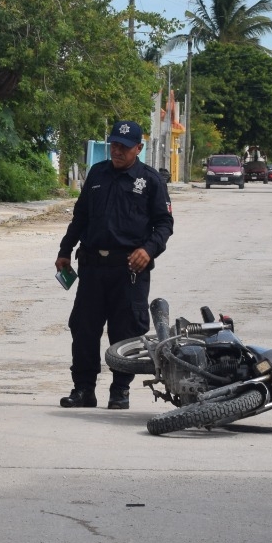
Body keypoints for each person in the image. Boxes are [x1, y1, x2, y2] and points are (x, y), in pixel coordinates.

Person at [54, 121, 175, 409]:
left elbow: (164, 224)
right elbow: (80, 217)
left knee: (126, 332)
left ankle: (120, 390)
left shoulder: (150, 180)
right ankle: (84, 390)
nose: (117, 151)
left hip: (129, 270)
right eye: (114, 145)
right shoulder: (97, 173)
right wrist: (65, 250)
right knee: (84, 329)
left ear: (139, 148)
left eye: (124, 146)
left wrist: (149, 250)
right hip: (93, 267)